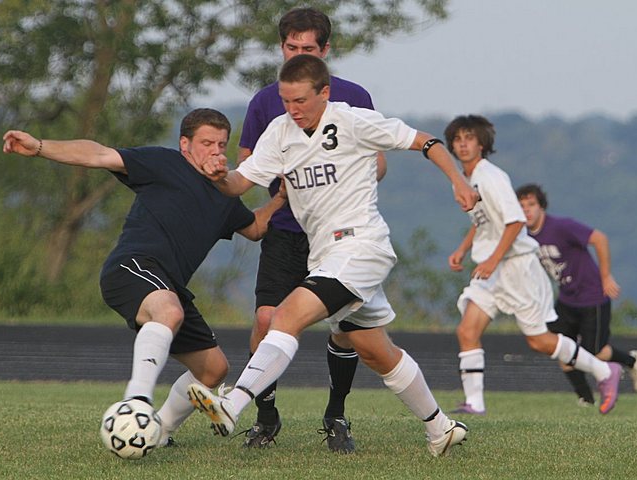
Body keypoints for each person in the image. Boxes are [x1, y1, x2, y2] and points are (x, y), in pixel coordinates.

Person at [186, 54, 477, 457]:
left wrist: (459, 182)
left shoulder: (352, 119)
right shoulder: (280, 131)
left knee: (283, 316)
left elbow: (425, 141)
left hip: (361, 246)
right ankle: (440, 428)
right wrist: (218, 176)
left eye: (301, 101)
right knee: (375, 350)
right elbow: (239, 183)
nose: (293, 110)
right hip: (325, 255)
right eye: (287, 101)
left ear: (324, 92)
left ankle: (232, 404)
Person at [1, 108, 286, 446]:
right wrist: (38, 146)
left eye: (221, 145)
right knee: (169, 311)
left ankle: (158, 432)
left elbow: (254, 228)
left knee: (213, 369)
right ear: (185, 144)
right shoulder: (164, 163)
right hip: (132, 267)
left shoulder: (225, 195)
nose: (216, 151)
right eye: (207, 143)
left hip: (170, 287)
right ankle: (136, 402)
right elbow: (98, 154)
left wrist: (282, 197)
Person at [236, 7, 387, 452]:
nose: (297, 53)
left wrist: (339, 174)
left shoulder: (353, 96)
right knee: (267, 319)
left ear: (326, 50)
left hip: (342, 236)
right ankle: (266, 418)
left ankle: (336, 415)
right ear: (281, 48)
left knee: (348, 330)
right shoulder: (266, 100)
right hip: (285, 230)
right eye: (291, 47)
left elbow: (378, 161)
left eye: (307, 48)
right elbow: (248, 161)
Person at [445, 115, 623, 416]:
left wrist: (491, 259)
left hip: (517, 267)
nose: (463, 144)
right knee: (467, 330)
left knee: (540, 341)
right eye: (457, 139)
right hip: (492, 270)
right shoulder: (462, 180)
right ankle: (475, 404)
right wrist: (463, 249)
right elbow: (484, 220)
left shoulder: (491, 176)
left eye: (469, 138)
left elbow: (515, 222)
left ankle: (604, 372)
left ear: (482, 143)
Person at [516, 184, 637, 405]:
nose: (526, 210)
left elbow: (600, 239)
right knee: (560, 347)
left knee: (594, 352)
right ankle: (586, 399)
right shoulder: (524, 236)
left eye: (531, 205)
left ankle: (632, 361)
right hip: (566, 299)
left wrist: (605, 276)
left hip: (592, 298)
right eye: (521, 206)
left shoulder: (561, 226)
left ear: (542, 207)